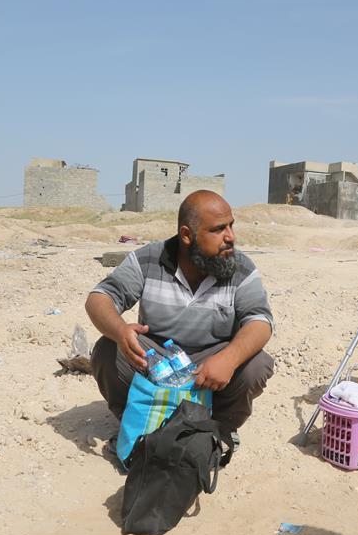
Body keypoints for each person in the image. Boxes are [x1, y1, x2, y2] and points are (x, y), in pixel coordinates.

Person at [86, 190, 275, 448]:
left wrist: (228, 360)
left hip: (210, 365)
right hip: (157, 360)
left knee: (256, 364)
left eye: (231, 226)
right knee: (107, 349)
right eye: (219, 229)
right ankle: (139, 427)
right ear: (187, 235)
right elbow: (100, 298)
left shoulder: (240, 267)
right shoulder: (148, 260)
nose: (231, 237)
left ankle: (217, 431)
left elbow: (260, 321)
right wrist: (120, 331)